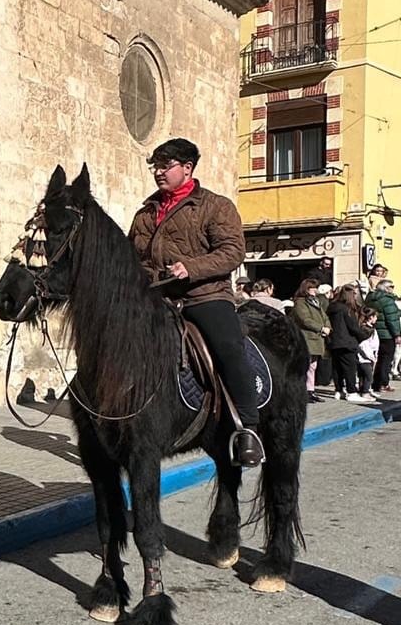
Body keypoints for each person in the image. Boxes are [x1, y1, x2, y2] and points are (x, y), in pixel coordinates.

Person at [129, 138, 263, 467]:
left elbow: (233, 251)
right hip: (158, 297)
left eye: (166, 165)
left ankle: (248, 428)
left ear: (187, 168)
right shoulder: (145, 214)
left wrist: (191, 267)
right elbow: (133, 256)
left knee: (228, 345)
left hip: (205, 295)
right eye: (155, 166)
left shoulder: (215, 206)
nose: (158, 172)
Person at [326, 283, 374, 402]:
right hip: (347, 342)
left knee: (337, 368)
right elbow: (352, 327)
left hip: (334, 341)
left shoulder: (331, 307)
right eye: (355, 294)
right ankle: (351, 392)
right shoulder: (346, 309)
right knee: (349, 368)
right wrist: (364, 334)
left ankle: (339, 390)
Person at [290, 274, 330, 404]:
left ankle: (310, 391)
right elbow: (305, 319)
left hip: (317, 338)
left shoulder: (316, 302)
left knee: (313, 366)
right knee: (306, 365)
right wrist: (320, 328)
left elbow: (324, 316)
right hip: (308, 338)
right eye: (313, 288)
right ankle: (304, 392)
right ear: (306, 289)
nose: (316, 290)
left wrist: (327, 326)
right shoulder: (300, 303)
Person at [364, 275, 398, 392]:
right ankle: (383, 383)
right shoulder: (387, 300)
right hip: (387, 334)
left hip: (372, 331)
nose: (393, 288)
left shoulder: (369, 298)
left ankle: (375, 383)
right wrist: (397, 334)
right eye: (391, 286)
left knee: (376, 359)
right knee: (386, 359)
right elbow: (392, 319)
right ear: (385, 288)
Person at [357, 309, 380, 398]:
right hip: (365, 357)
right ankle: (365, 392)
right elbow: (364, 345)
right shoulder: (367, 330)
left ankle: (364, 390)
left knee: (363, 376)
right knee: (368, 376)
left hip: (368, 356)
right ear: (371, 317)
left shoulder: (369, 328)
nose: (376, 319)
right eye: (375, 317)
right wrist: (371, 357)